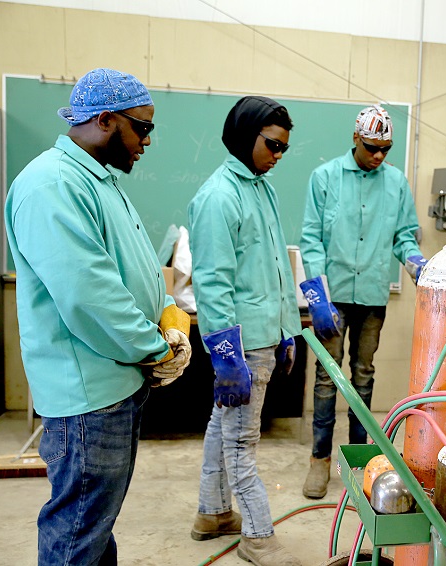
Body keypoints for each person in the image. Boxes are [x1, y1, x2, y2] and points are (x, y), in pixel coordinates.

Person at [4, 68, 193, 566]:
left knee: (94, 526)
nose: (147, 142)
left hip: (115, 385)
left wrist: (165, 309)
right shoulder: (51, 185)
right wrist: (156, 349)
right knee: (78, 535)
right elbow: (90, 296)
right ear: (106, 120)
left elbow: (123, 270)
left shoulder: (97, 179)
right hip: (88, 397)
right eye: (143, 128)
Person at [188, 96, 302, 566]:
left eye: (284, 149)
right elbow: (212, 283)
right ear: (244, 136)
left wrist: (290, 329)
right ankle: (257, 536)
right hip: (243, 343)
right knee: (241, 442)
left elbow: (278, 266)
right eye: (272, 145)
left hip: (266, 336)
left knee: (223, 426)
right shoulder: (218, 197)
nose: (278, 155)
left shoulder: (262, 187)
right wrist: (225, 356)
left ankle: (212, 514)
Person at [298, 105, 427, 499]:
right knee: (326, 378)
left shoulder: (396, 183)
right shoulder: (325, 178)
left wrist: (416, 262)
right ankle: (319, 460)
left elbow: (404, 235)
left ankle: (359, 461)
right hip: (332, 295)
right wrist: (316, 295)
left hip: (372, 295)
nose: (379, 156)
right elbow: (311, 239)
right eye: (372, 147)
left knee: (364, 375)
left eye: (386, 148)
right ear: (355, 138)